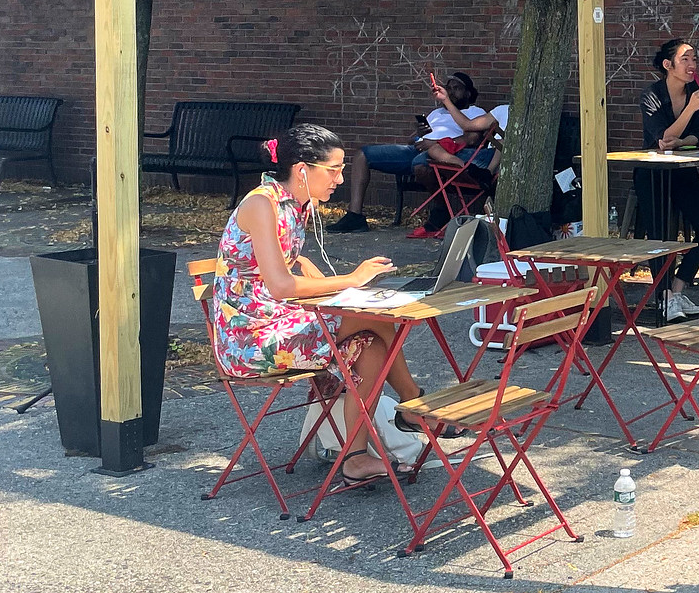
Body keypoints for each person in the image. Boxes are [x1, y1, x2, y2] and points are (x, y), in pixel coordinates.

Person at [210, 123, 424, 486]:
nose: (340, 179)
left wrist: (328, 285)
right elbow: (279, 285)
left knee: (372, 346)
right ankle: (416, 407)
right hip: (249, 339)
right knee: (376, 319)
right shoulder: (262, 203)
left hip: (277, 322)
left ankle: (355, 458)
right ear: (302, 170)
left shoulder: (296, 205)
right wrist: (351, 281)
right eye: (334, 170)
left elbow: (290, 263)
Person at [337, 73, 507, 235]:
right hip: (417, 150)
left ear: (469, 93)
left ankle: (441, 211)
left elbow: (471, 139)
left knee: (421, 163)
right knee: (362, 155)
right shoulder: (436, 113)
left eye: (457, 88)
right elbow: (412, 140)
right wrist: (418, 133)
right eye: (449, 88)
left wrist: (435, 144)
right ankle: (354, 216)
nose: (451, 91)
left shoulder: (475, 112)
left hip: (441, 154)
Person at [638, 37, 699, 322]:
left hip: (683, 169)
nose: (692, 65)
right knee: (660, 236)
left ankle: (676, 291)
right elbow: (662, 139)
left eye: (694, 59)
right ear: (668, 65)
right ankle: (661, 298)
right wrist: (689, 111)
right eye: (686, 59)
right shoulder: (652, 95)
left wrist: (681, 140)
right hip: (653, 172)